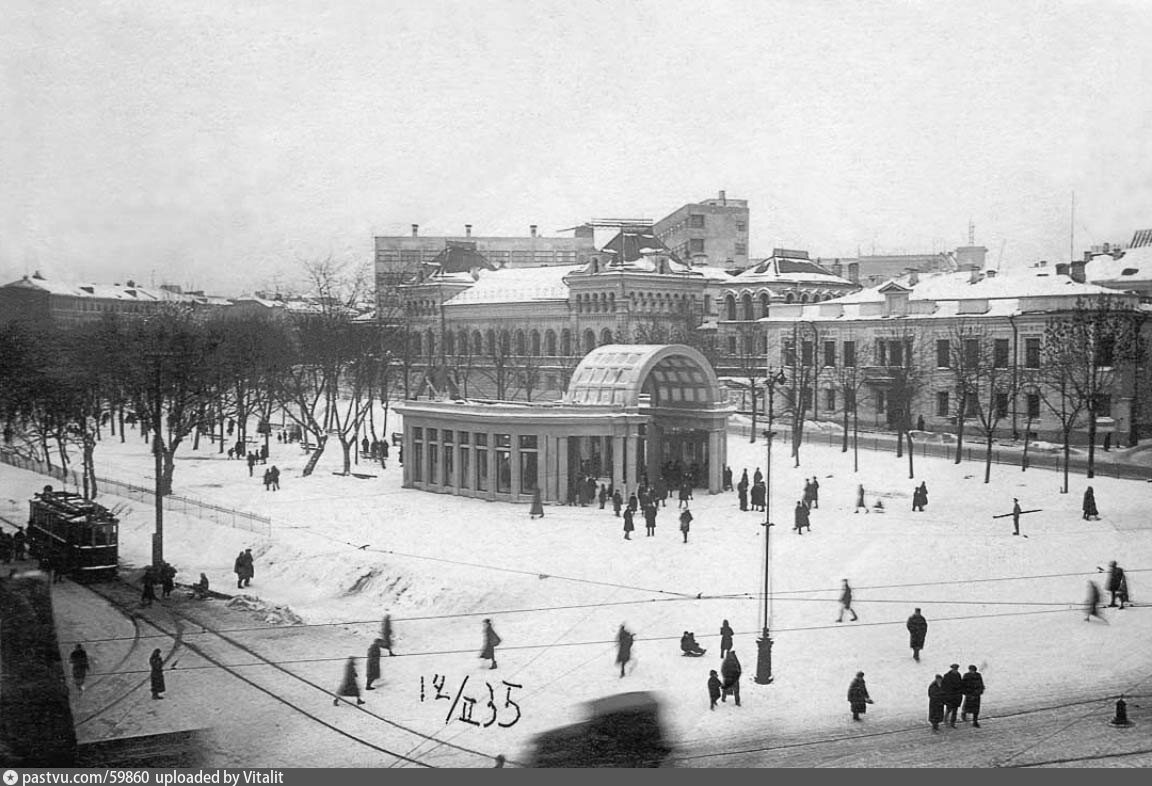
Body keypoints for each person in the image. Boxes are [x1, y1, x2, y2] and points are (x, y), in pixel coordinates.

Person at [941, 663, 964, 728]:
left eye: (956, 669)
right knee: (949, 709)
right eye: (954, 669)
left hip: (957, 696)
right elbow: (944, 687)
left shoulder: (958, 675)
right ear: (952, 669)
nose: (955, 670)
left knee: (955, 711)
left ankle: (952, 723)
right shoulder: (947, 676)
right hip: (950, 696)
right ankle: (945, 719)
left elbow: (960, 685)